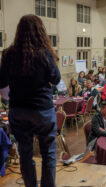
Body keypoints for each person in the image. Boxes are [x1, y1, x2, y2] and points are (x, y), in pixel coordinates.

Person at [0, 15, 61, 187]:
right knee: (48, 152)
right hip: (42, 110)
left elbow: (2, 83)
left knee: (25, 153)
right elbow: (56, 79)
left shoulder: (8, 54)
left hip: (18, 110)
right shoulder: (44, 54)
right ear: (40, 31)